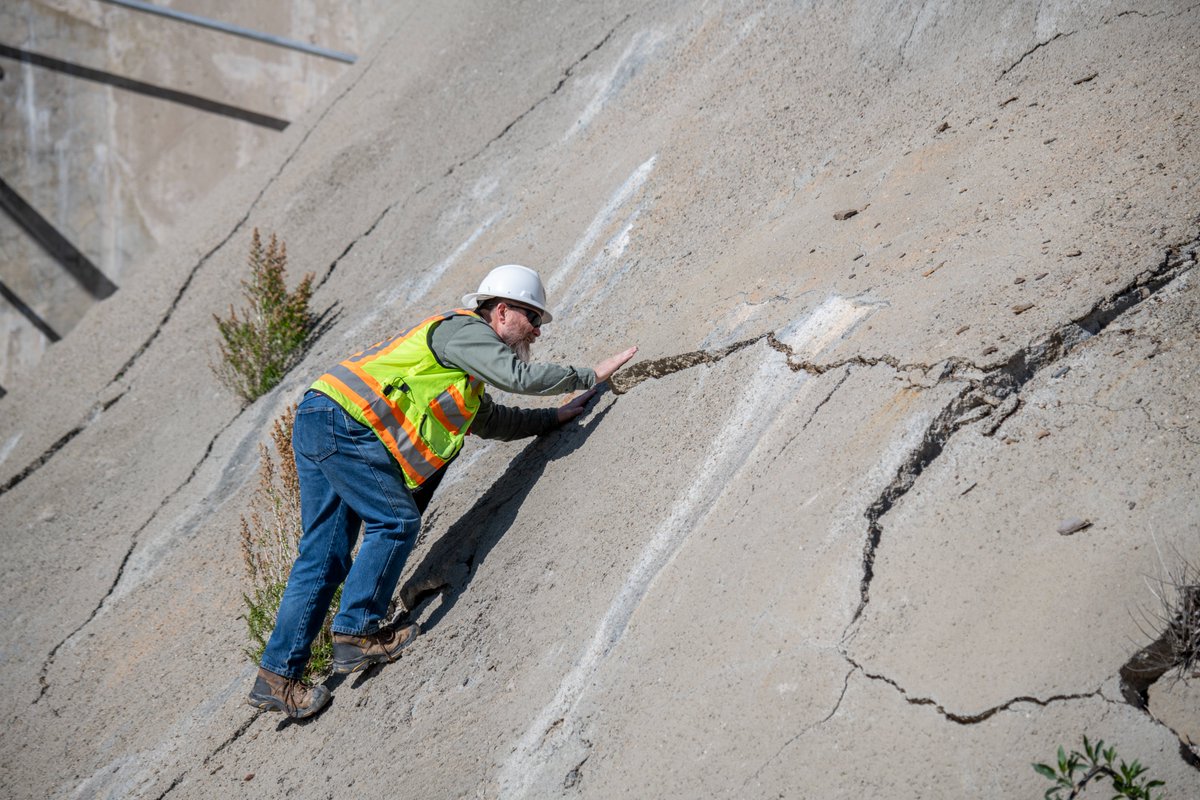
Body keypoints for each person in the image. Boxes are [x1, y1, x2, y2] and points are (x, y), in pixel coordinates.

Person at [247, 264, 638, 718]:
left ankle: (277, 677)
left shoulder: (463, 370)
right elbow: (518, 378)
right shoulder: (465, 332)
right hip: (345, 424)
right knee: (394, 520)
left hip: (325, 417)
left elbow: (491, 420)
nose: (536, 332)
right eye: (533, 319)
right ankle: (356, 633)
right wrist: (590, 374)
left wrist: (552, 419)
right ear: (504, 311)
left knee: (324, 555)